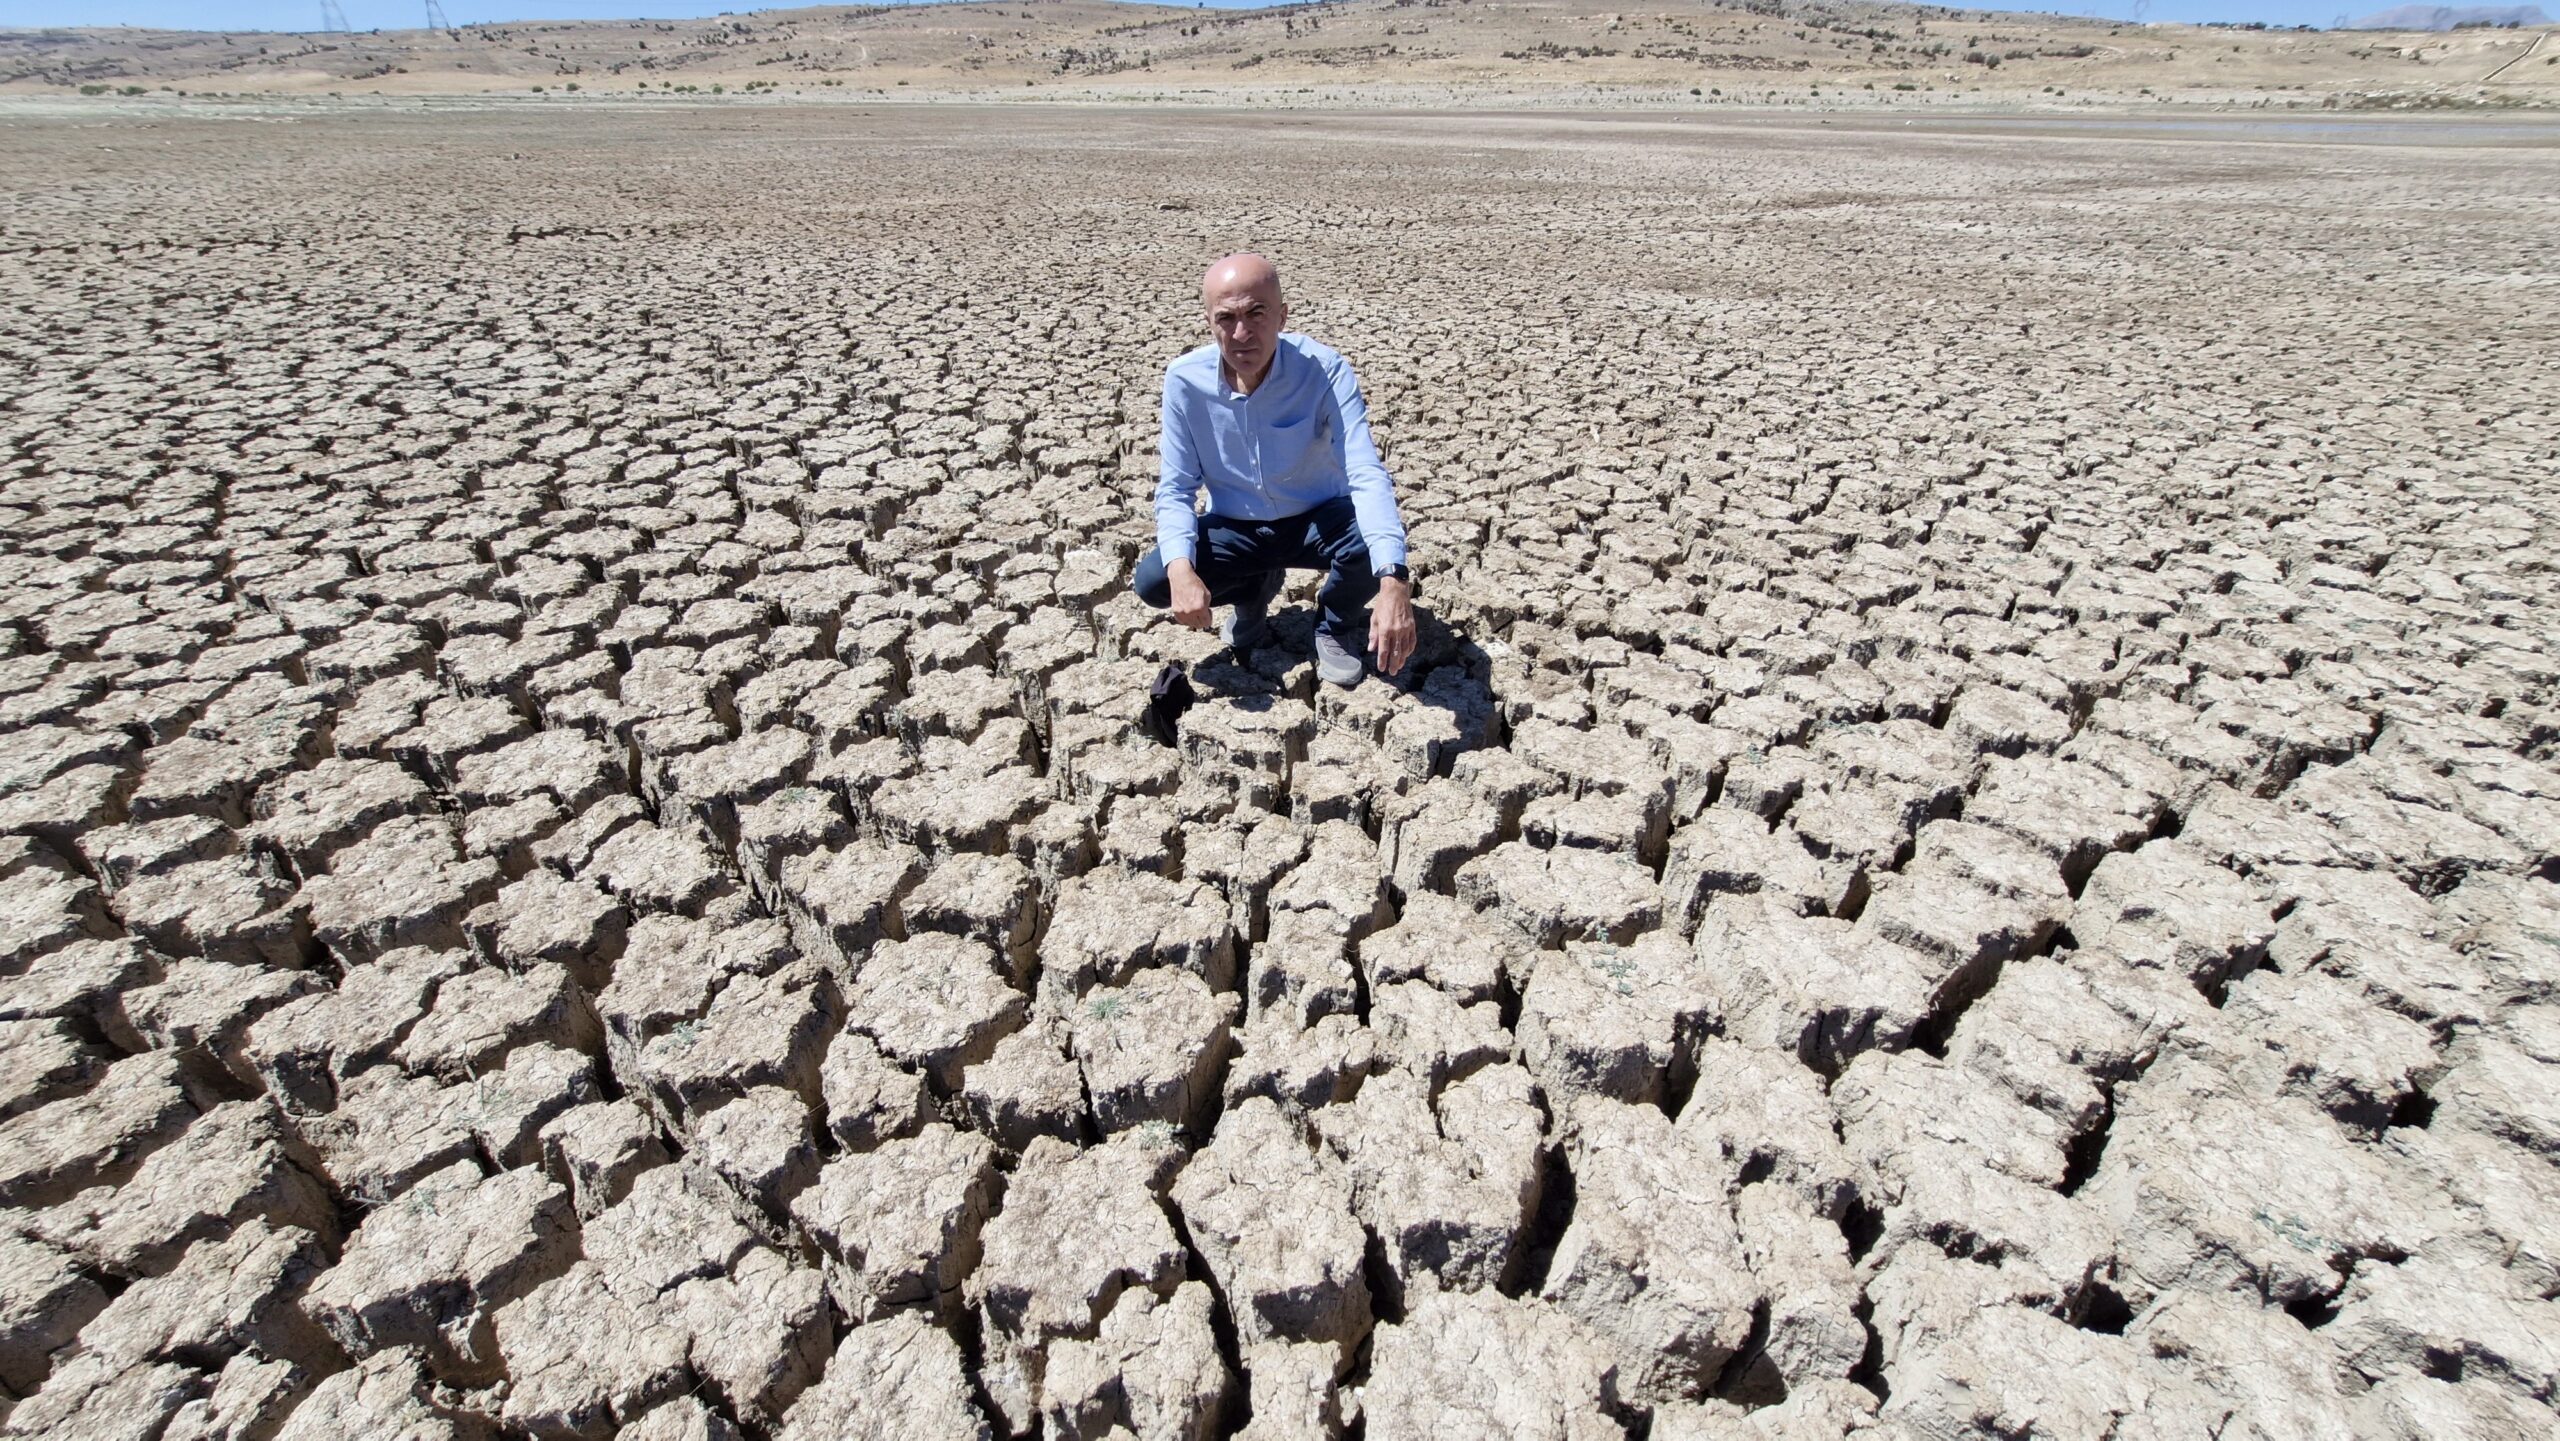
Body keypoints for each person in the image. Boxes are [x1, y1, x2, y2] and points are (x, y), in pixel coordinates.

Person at [1132, 253, 1416, 686]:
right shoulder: (1185, 381)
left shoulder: (1323, 370)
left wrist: (1394, 580)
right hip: (1237, 525)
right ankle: (1252, 594)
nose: (1241, 333)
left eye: (1257, 313)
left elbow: (1364, 470)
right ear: (1208, 321)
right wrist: (1180, 570)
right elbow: (1175, 488)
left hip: (1317, 520)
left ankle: (1333, 626)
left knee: (1370, 543)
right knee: (1156, 579)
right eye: (1226, 318)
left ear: (1283, 316)